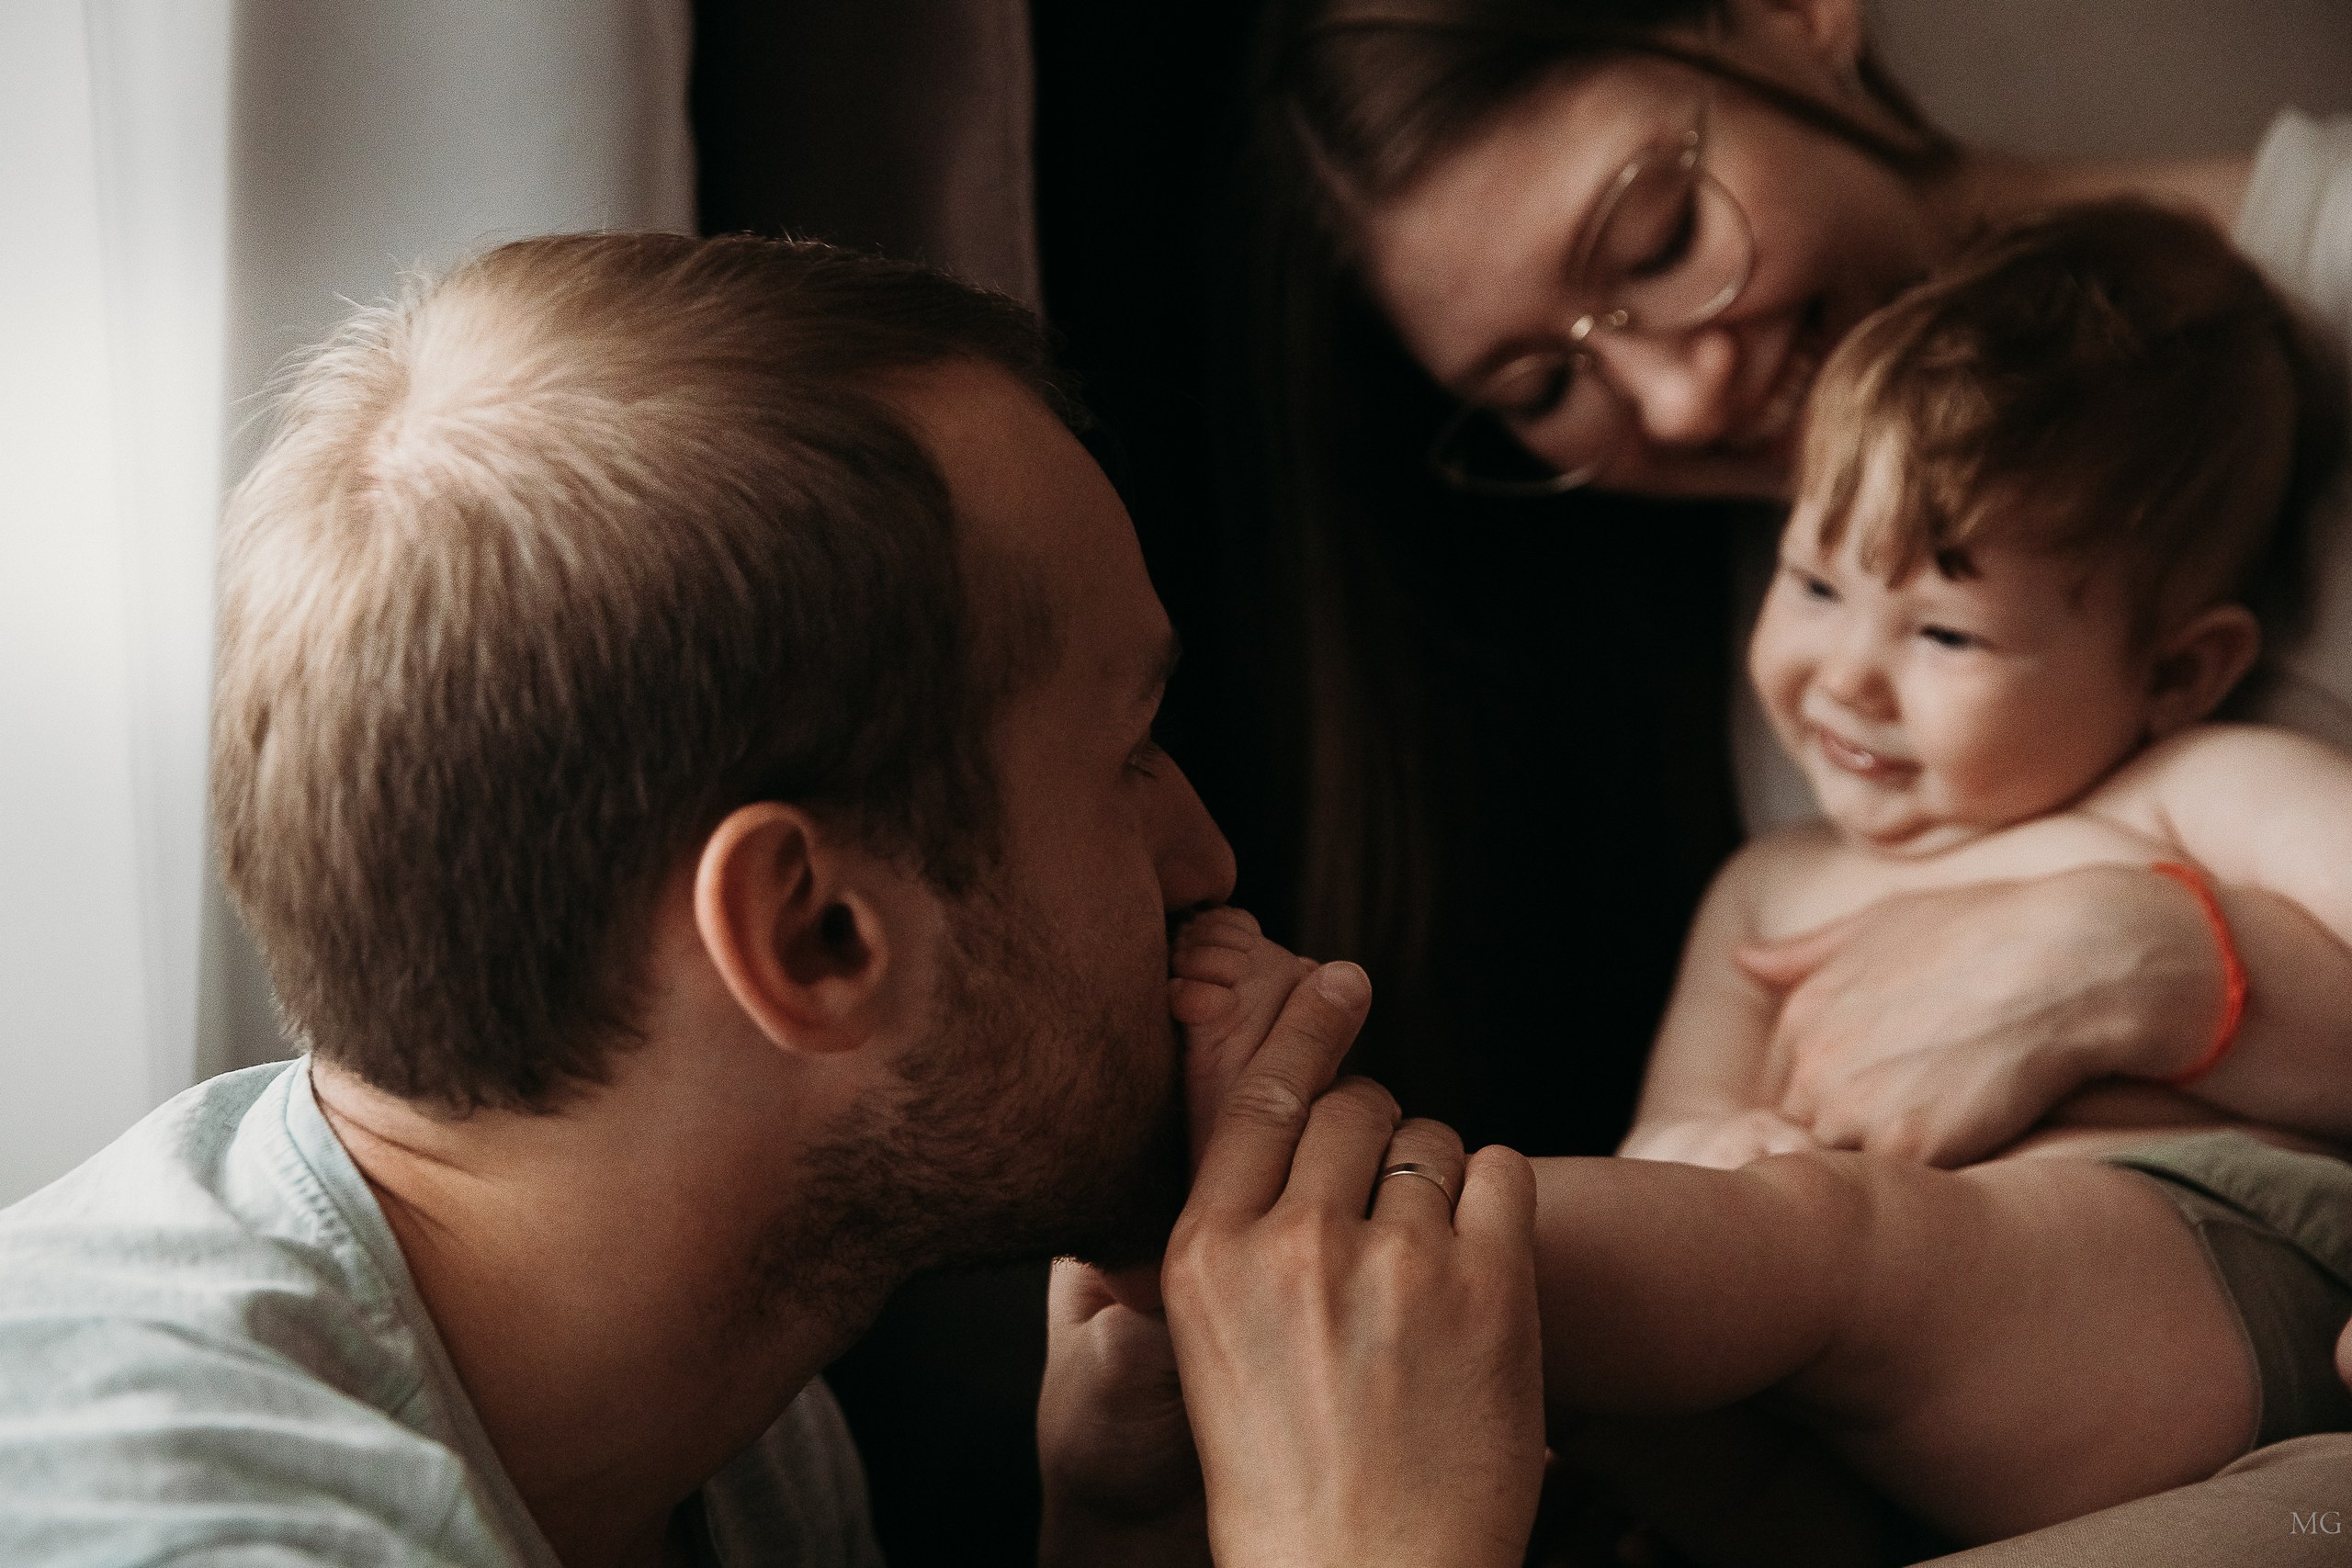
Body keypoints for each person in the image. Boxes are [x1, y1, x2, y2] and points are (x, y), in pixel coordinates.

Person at [0, 232, 1545, 1567]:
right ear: (814, 935)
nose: (1205, 857)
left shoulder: (714, 1418)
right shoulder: (176, 1528)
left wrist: (1124, 1529)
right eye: (1128, 750)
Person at [1179, 199, 2352, 1562]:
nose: (1846, 671)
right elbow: (1677, 1147)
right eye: (1812, 579)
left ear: (2177, 671)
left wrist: (1761, 1204)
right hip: (1882, 1426)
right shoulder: (1771, 883)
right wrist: (1707, 1148)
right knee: (1646, 1413)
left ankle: (1343, 1230)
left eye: (1948, 628)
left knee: (1823, 1236)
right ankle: (1328, 1258)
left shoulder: (2199, 788)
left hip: (2225, 1274)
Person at [1250, 0, 2352, 1169]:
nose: (1678, 405)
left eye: (1662, 240)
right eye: (1537, 391)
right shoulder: (1795, 693)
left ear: (1794, 13)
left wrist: (2146, 961)